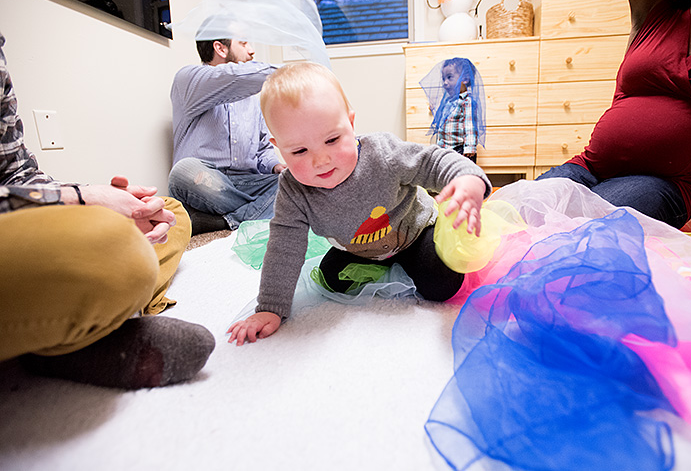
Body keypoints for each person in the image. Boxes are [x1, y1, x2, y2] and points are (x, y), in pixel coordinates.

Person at [0, 0, 214, 389]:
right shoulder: (199, 79)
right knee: (111, 244)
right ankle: (78, 333)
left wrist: (96, 202)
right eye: (245, 45)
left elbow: (18, 174)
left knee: (170, 212)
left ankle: (76, 317)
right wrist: (80, 202)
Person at [226, 62, 491, 345]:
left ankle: (407, 262)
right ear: (279, 147)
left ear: (350, 124)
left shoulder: (383, 154)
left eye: (332, 139)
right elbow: (284, 247)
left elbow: (431, 161)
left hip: (415, 233)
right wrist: (270, 307)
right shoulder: (293, 189)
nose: (320, 160)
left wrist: (467, 178)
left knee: (442, 286)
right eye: (300, 150)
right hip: (358, 248)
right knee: (332, 279)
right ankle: (380, 265)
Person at [536, 0, 691, 229]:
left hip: (661, 183)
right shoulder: (653, 5)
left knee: (585, 229)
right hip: (588, 167)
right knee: (513, 214)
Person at [168, 30, 285, 235]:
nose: (252, 50)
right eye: (244, 43)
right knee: (184, 171)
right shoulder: (187, 80)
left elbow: (262, 149)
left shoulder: (253, 99)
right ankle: (259, 211)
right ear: (220, 48)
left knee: (297, 184)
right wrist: (295, 72)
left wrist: (275, 166)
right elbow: (232, 77)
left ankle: (221, 222)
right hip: (205, 181)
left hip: (247, 183)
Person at [420, 57, 486, 164]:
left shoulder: (467, 101)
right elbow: (445, 121)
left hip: (459, 150)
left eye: (449, 77)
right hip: (445, 149)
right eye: (443, 78)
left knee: (461, 174)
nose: (445, 83)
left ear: (465, 79)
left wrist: (469, 147)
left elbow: (470, 125)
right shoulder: (448, 101)